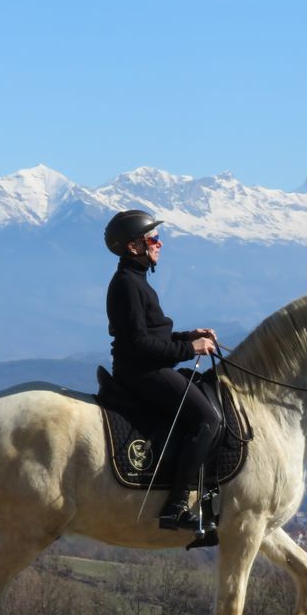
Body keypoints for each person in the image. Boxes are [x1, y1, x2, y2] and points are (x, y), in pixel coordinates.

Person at [104, 209, 221, 531]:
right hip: (142, 372)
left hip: (146, 366)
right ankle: (177, 506)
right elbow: (139, 346)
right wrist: (189, 350)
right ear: (134, 247)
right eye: (153, 239)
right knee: (207, 419)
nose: (160, 244)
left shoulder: (136, 281)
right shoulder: (128, 286)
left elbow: (152, 335)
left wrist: (188, 336)